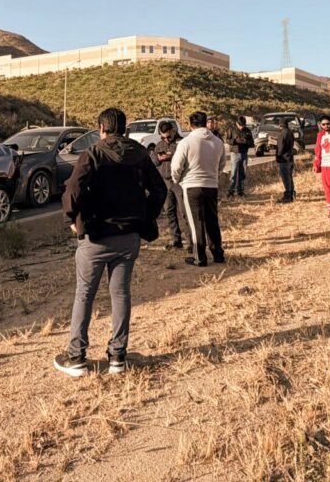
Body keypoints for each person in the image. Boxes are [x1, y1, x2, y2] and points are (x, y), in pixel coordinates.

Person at [56, 108, 167, 377]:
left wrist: (72, 219)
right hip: (128, 237)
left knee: (85, 294)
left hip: (95, 237)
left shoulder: (93, 153)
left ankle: (77, 357)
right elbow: (159, 189)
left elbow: (73, 190)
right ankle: (118, 356)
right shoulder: (140, 155)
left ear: (102, 129)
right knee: (121, 294)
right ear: (125, 129)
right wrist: (144, 217)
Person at [172, 111, 226, 267]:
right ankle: (218, 254)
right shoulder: (218, 142)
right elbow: (222, 164)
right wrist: (213, 175)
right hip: (211, 185)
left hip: (191, 186)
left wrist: (177, 180)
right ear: (206, 123)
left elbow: (176, 167)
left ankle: (199, 257)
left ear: (190, 125)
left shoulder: (186, 142)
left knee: (196, 222)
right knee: (212, 221)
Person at [151, 120, 188, 250]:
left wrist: (170, 157)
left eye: (168, 136)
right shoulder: (159, 145)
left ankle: (191, 241)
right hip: (165, 182)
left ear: (173, 131)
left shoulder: (182, 143)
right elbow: (153, 161)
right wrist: (159, 158)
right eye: (163, 137)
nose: (166, 139)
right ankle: (176, 239)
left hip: (179, 181)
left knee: (184, 212)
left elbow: (184, 159)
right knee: (169, 212)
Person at [227, 115, 254, 197]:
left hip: (244, 153)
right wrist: (235, 141)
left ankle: (240, 191)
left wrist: (246, 141)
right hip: (235, 153)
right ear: (236, 123)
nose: (242, 127)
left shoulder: (247, 131)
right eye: (240, 125)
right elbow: (227, 140)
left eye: (243, 125)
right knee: (233, 173)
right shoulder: (231, 129)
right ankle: (231, 191)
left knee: (242, 173)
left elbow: (252, 143)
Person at [274, 117, 296, 203]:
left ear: (280, 125)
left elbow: (280, 147)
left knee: (286, 178)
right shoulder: (290, 132)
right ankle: (292, 193)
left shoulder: (282, 134)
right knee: (289, 177)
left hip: (284, 159)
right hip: (290, 157)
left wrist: (278, 156)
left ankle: (287, 196)